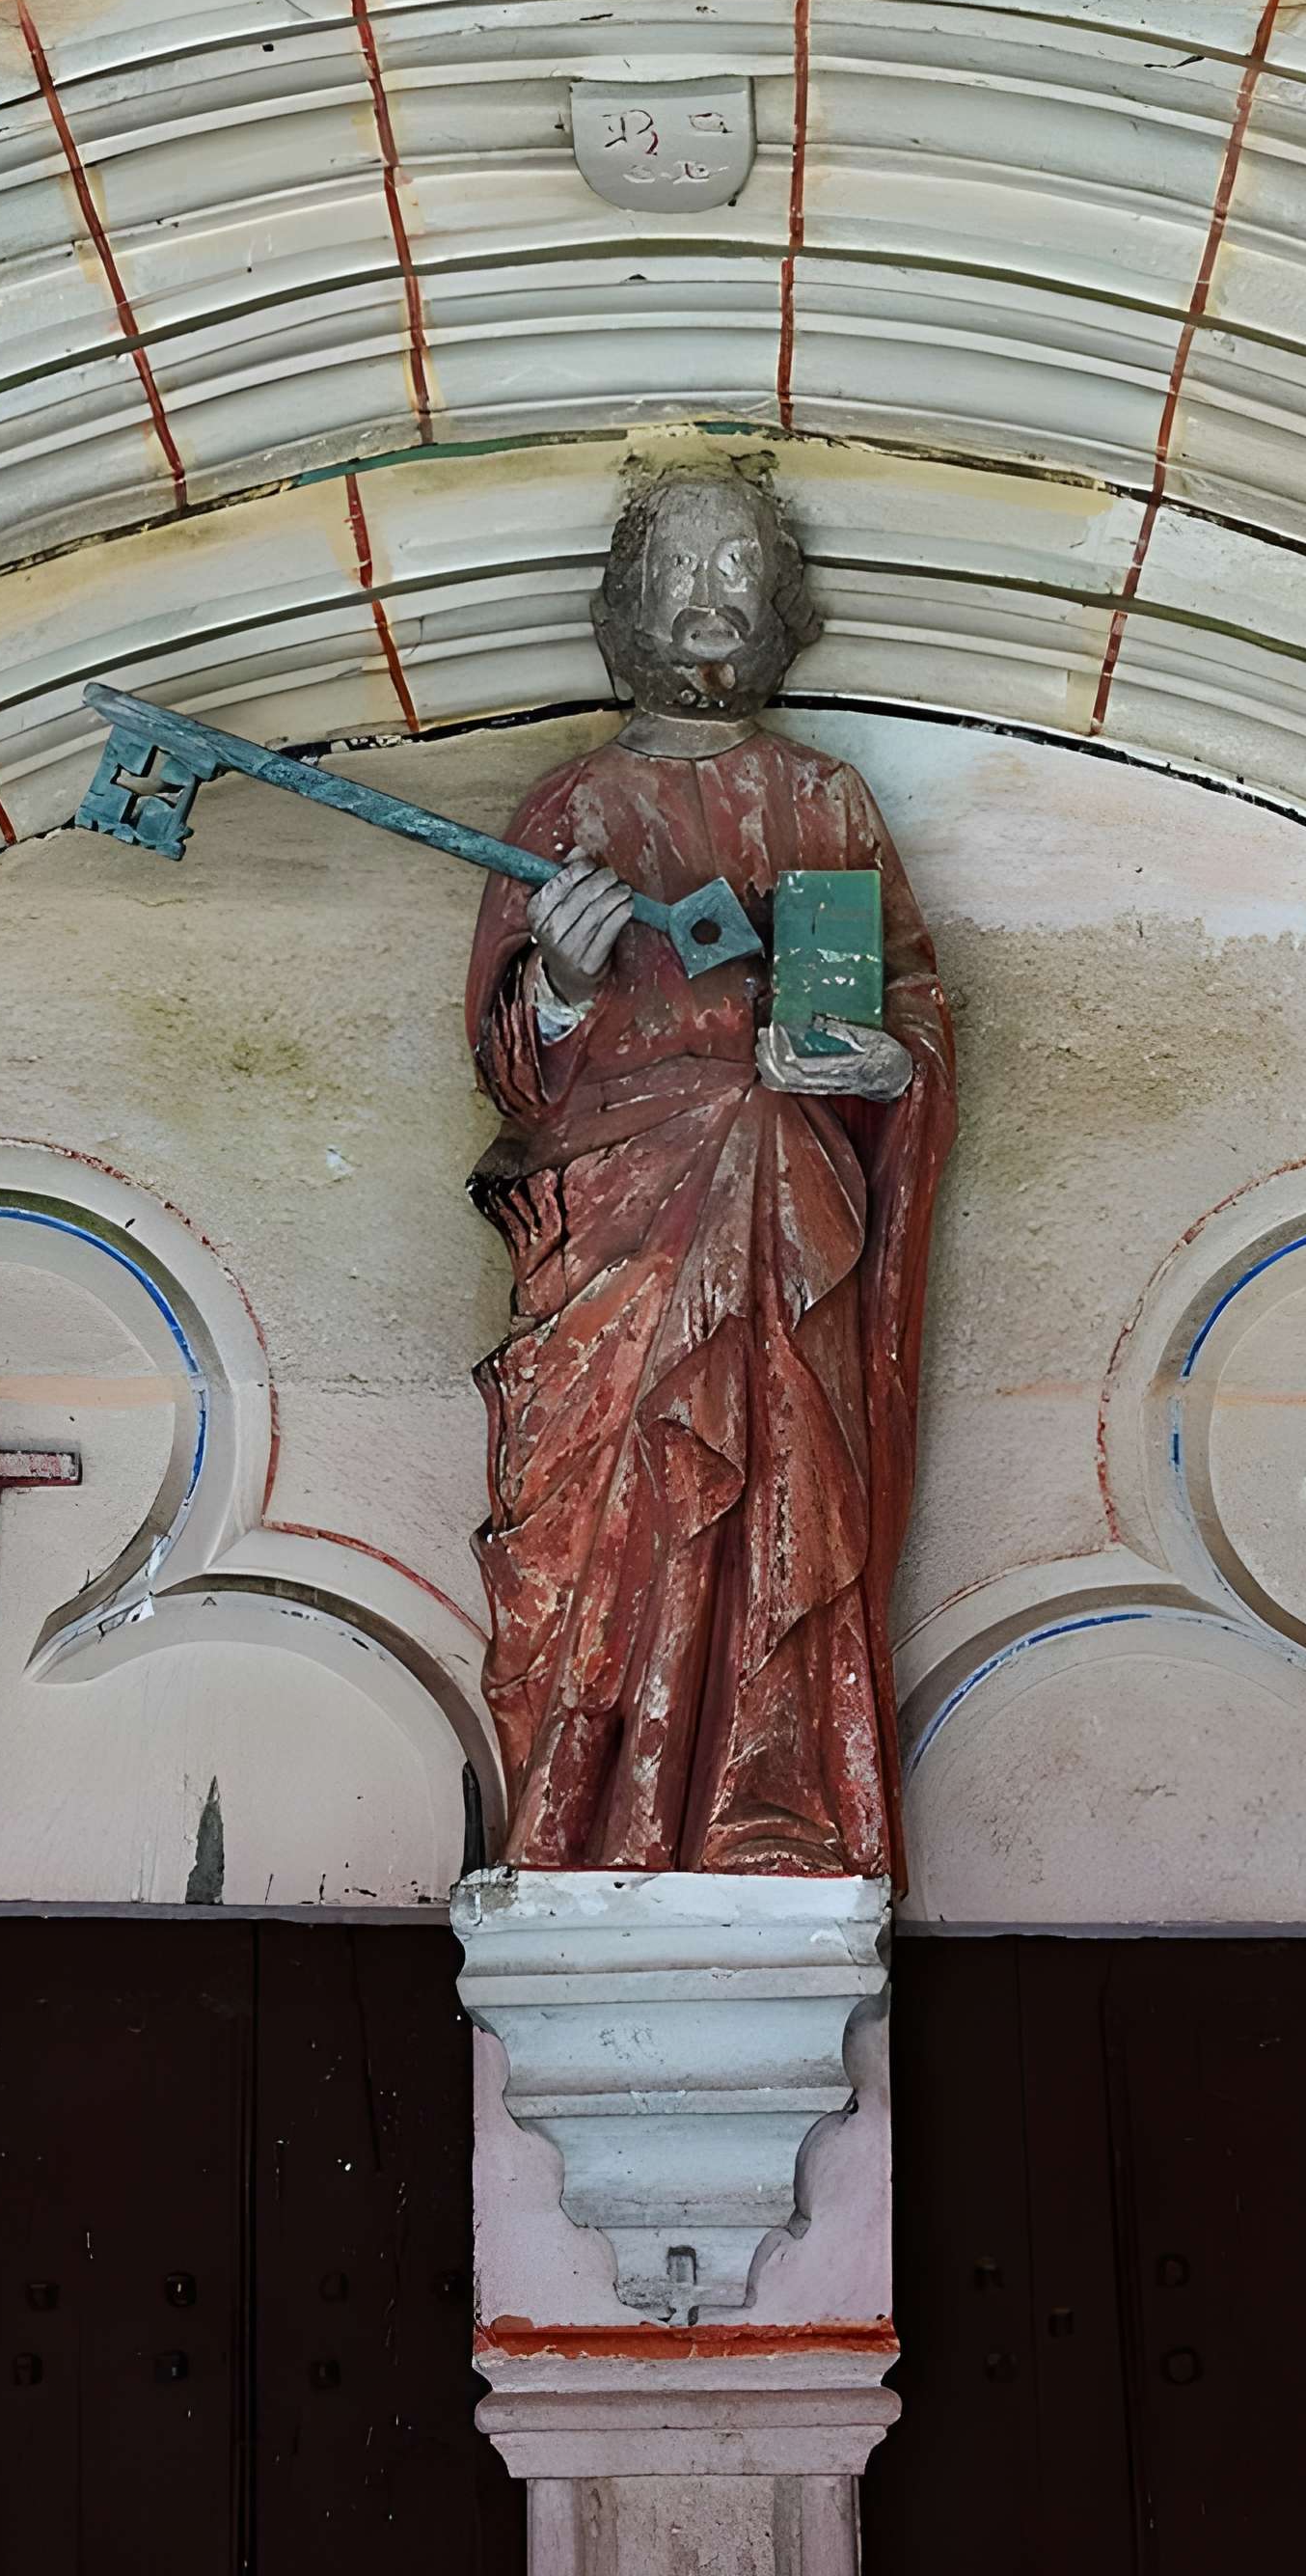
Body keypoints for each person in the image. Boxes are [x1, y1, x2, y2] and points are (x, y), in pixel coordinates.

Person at [465, 467, 956, 1879]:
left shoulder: (825, 798)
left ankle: (766, 1794)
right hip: (615, 1231)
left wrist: (884, 1068)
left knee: (781, 1493)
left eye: (739, 569)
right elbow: (510, 1070)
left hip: (787, 1219)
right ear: (626, 603)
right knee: (602, 1511)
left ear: (780, 606)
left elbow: (909, 1009)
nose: (707, 600)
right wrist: (557, 977)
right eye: (677, 568)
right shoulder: (568, 804)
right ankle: (591, 1815)